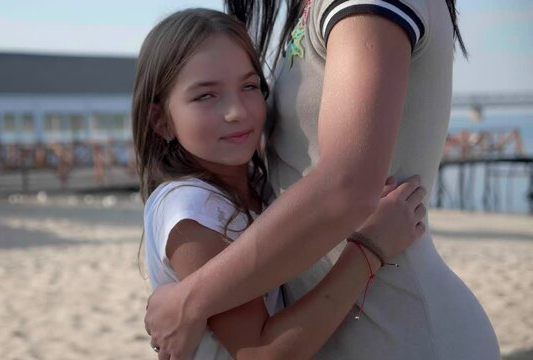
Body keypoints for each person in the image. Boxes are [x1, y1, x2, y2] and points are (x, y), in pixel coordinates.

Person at [144, 0, 500, 359]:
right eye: (206, 95)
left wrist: (190, 300)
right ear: (161, 120)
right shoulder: (198, 205)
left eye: (251, 87)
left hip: (404, 336)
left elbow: (348, 184)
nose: (236, 111)